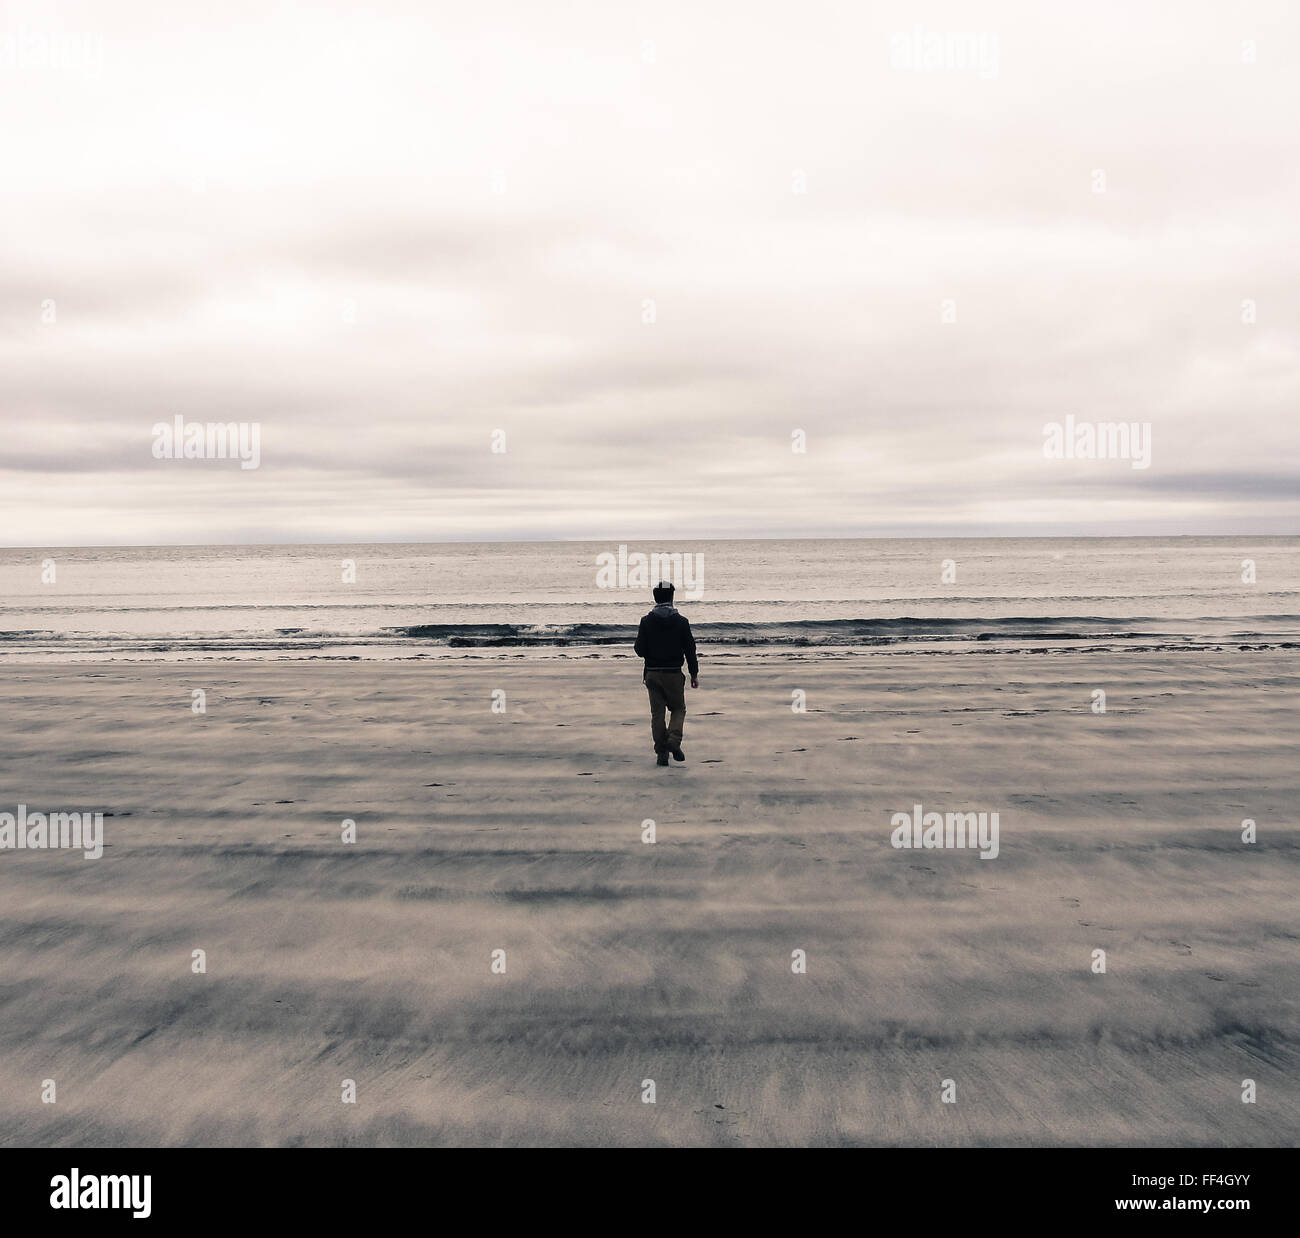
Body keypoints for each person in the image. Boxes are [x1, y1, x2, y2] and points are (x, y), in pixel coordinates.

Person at [633, 580, 699, 765]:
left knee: (657, 714)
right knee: (678, 709)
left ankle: (662, 754)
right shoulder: (681, 622)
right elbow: (690, 650)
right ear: (672, 597)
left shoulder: (646, 621)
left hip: (652, 673)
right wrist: (694, 674)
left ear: (655, 598)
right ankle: (673, 740)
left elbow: (639, 650)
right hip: (673, 674)